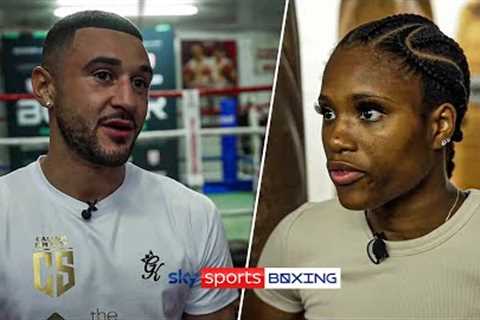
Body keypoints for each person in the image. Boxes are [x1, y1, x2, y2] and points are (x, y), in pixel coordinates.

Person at [0, 11, 237, 320]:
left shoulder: (195, 216)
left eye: (140, 83)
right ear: (46, 87)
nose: (128, 99)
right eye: (103, 75)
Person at [246, 14, 480, 319]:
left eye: (369, 112)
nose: (336, 138)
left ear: (439, 126)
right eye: (328, 113)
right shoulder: (299, 236)